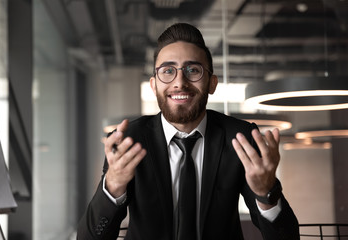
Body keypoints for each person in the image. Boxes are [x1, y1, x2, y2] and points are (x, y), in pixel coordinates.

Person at [77, 23, 299, 240]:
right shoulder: (129, 141)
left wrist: (266, 193)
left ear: (212, 84)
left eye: (193, 70)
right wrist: (113, 187)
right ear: (154, 85)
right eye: (168, 71)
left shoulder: (240, 138)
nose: (179, 82)